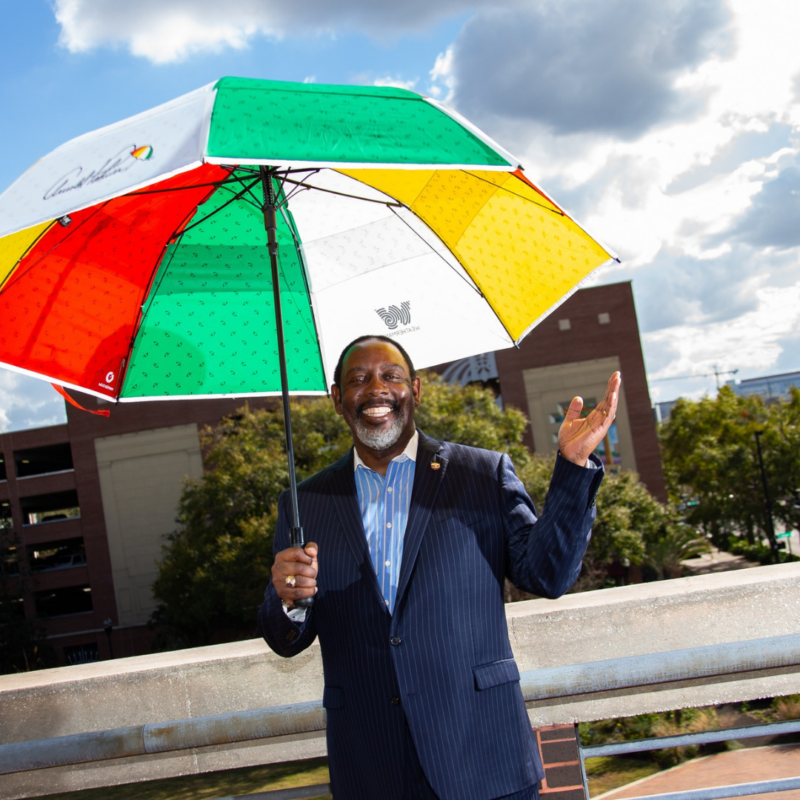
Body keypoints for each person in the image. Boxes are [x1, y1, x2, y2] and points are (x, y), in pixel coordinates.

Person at [259, 335, 620, 800]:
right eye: (358, 379)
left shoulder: (481, 474)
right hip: (372, 769)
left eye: (391, 376)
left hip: (485, 759)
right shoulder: (304, 503)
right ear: (337, 400)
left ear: (416, 389)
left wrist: (573, 465)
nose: (376, 389)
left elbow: (547, 573)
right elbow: (285, 639)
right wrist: (288, 599)